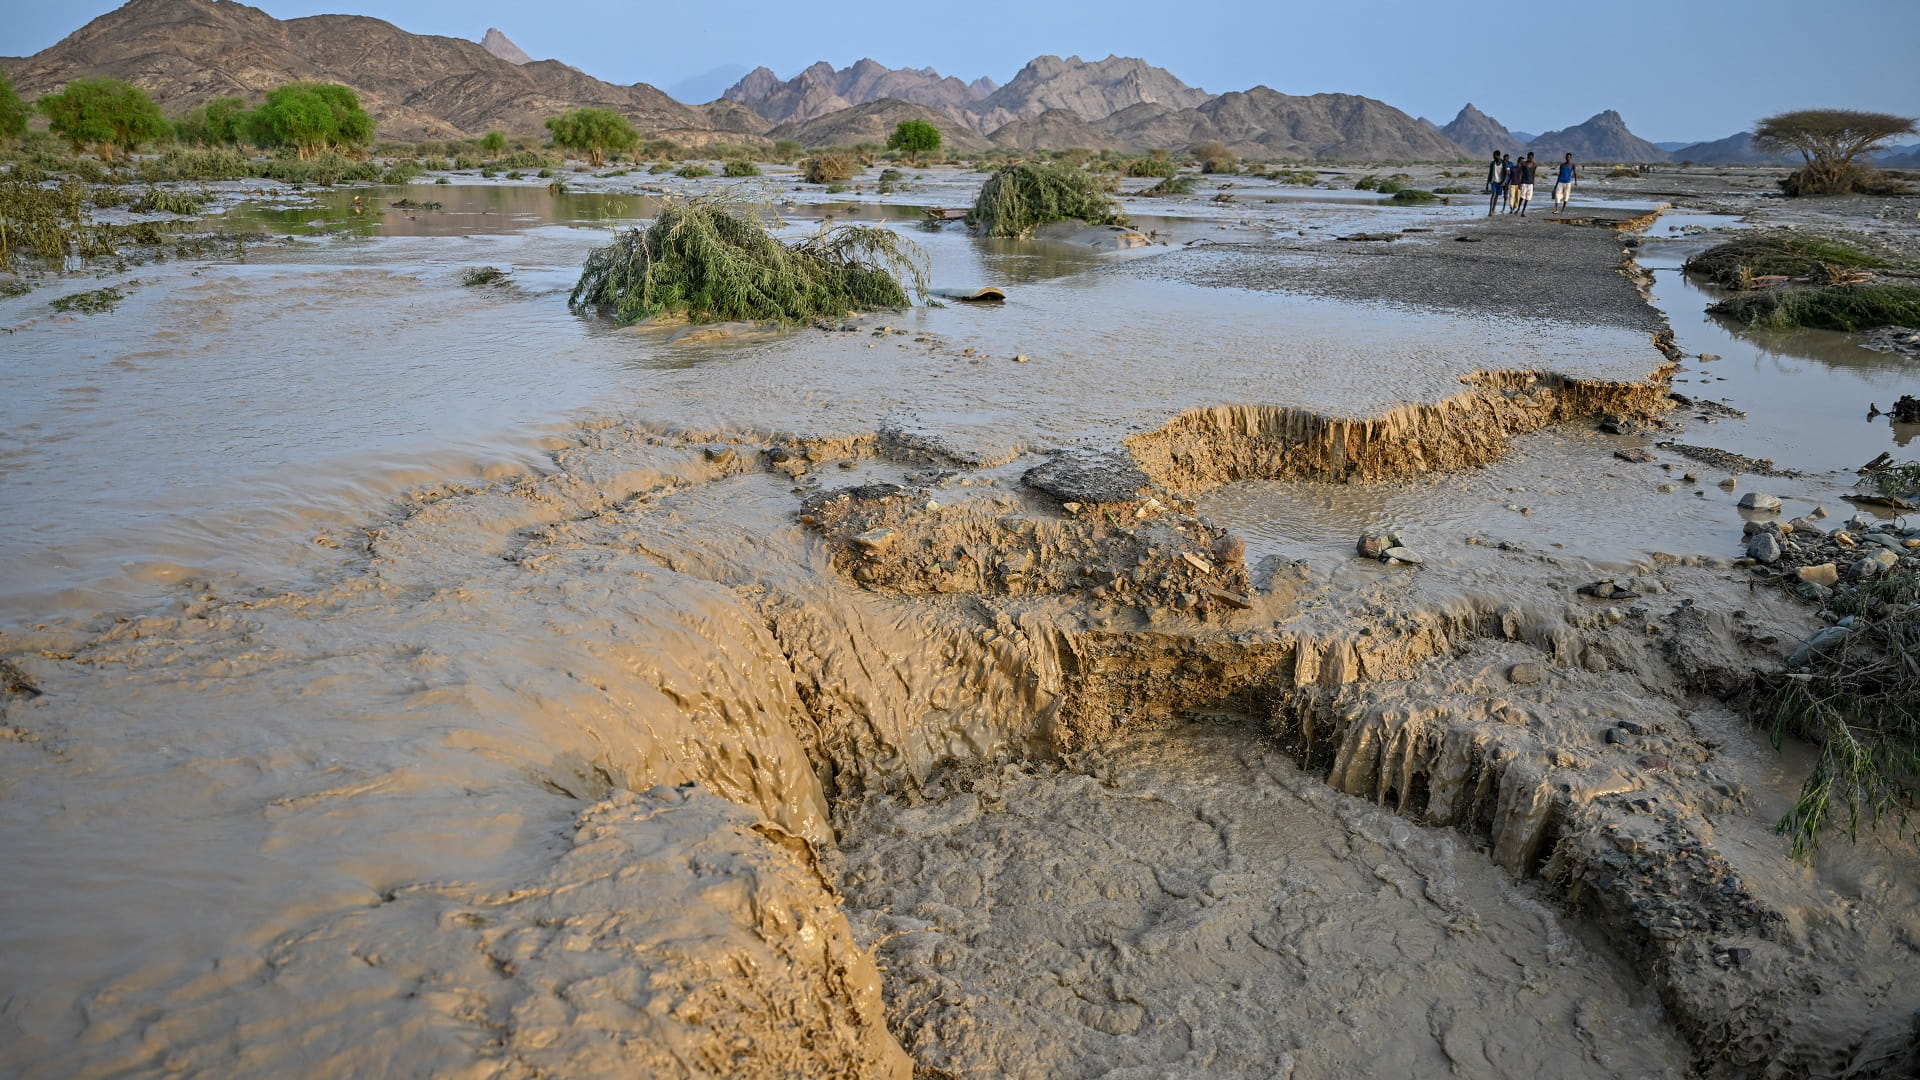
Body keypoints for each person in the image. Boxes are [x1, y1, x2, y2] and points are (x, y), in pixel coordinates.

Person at [1486, 150, 1507, 216]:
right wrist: (1487, 184)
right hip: (1493, 181)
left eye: (1494, 156)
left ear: (1498, 156)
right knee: (1493, 194)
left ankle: (1493, 209)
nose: (1493, 157)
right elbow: (1490, 173)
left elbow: (1506, 173)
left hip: (1500, 182)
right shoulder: (1492, 163)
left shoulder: (1503, 163)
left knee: (1497, 196)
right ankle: (1490, 211)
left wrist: (1504, 182)